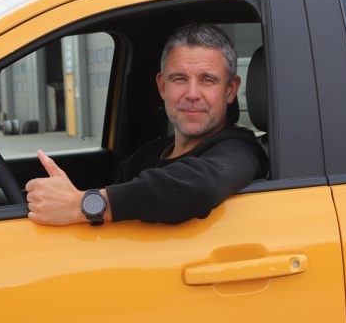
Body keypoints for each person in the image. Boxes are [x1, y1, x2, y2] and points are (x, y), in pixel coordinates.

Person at [25, 23, 267, 226]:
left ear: (230, 90)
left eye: (207, 80)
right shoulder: (145, 157)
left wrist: (82, 205)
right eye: (179, 79)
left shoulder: (241, 151)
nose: (192, 94)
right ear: (162, 87)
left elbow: (199, 187)